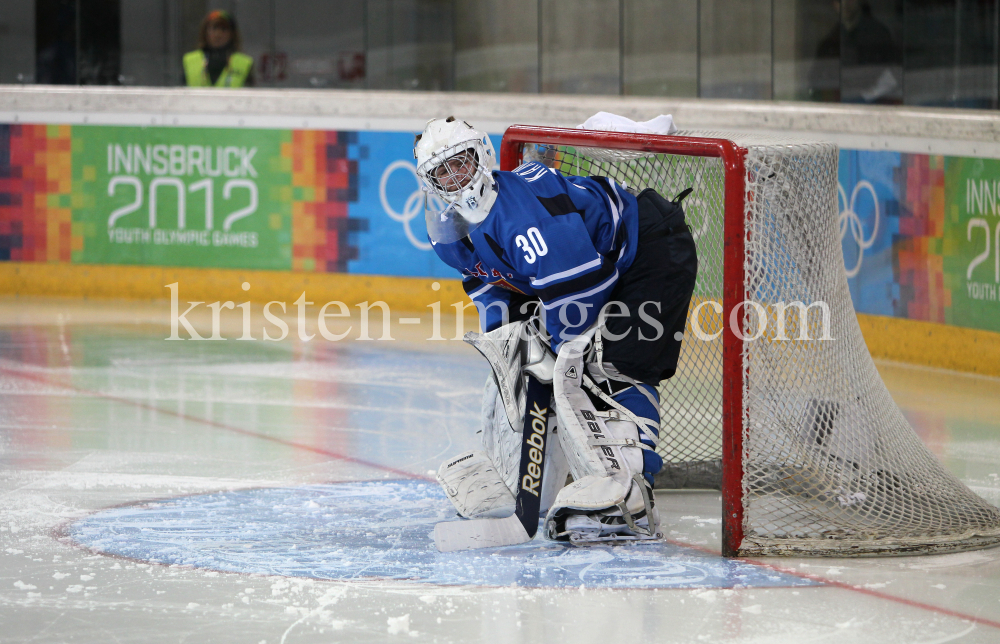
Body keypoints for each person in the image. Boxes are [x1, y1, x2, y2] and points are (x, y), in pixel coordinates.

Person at [415, 117, 697, 543]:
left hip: (652, 250)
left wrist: (559, 361)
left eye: (461, 163)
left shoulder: (522, 219)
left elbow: (580, 298)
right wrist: (508, 345)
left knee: (612, 365)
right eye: (442, 171)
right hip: (597, 263)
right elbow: (489, 284)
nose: (455, 178)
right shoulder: (448, 230)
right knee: (525, 369)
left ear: (483, 157)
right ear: (430, 182)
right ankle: (545, 479)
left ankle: (631, 493)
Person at [183, 10, 254, 88]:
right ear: (205, 32)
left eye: (224, 29)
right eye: (214, 28)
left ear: (232, 34)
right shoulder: (190, 60)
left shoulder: (244, 63)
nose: (218, 34)